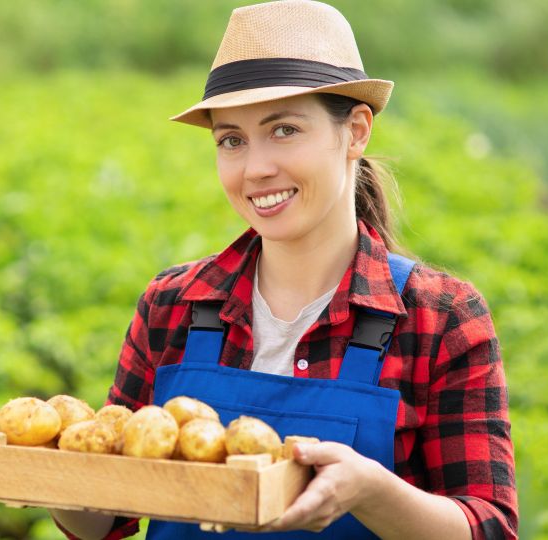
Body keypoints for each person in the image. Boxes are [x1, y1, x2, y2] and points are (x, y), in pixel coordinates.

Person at [51, 1, 518, 538]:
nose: (255, 169)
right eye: (231, 140)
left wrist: (372, 492)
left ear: (357, 131)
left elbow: (490, 527)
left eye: (284, 130)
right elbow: (105, 521)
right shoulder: (172, 305)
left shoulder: (441, 318)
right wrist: (57, 474)